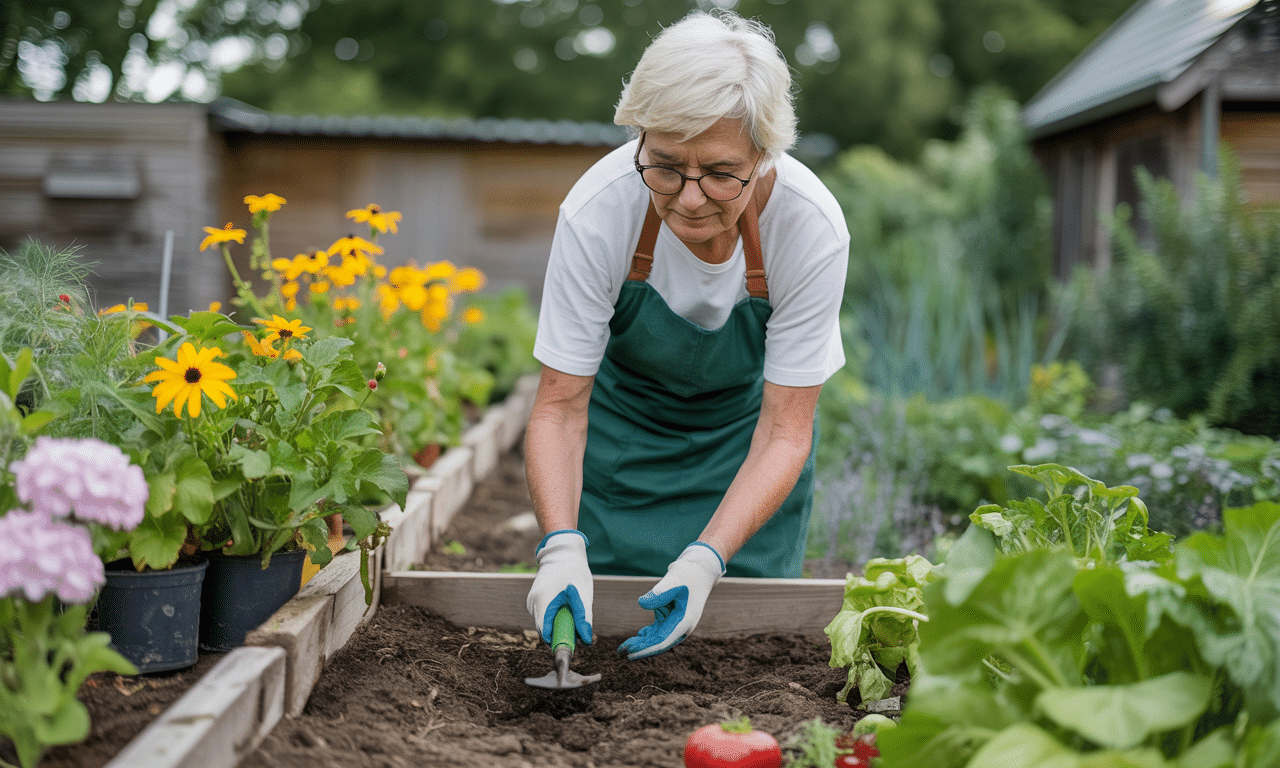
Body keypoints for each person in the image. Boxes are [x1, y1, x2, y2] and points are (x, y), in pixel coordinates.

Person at [525, 9, 849, 661]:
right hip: (625, 454)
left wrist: (708, 560)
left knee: (749, 656)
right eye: (666, 166)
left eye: (721, 173)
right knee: (604, 627)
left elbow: (786, 430)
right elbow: (560, 409)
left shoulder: (808, 229)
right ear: (641, 136)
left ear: (764, 154)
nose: (691, 198)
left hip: (746, 456)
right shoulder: (600, 212)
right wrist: (561, 547)